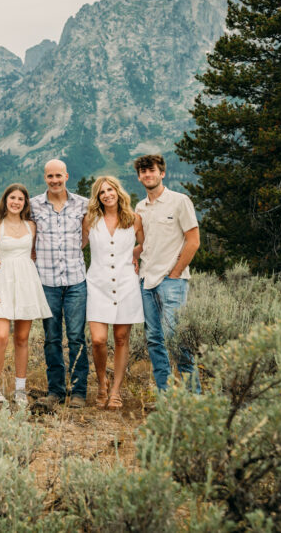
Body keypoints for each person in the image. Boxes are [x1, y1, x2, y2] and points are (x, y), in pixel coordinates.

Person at [0, 184, 51, 407]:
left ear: (25, 203)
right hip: (2, 284)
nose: (16, 202)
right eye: (12, 198)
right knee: (1, 336)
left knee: (21, 338)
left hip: (27, 283)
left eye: (21, 199)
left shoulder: (32, 226)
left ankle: (20, 390)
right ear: (5, 200)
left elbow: (34, 253)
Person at [134, 154, 200, 392]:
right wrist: (133, 255)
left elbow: (193, 241)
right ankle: (166, 395)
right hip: (146, 281)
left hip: (171, 281)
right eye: (143, 172)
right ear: (139, 177)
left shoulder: (180, 201)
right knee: (154, 340)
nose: (147, 175)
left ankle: (195, 399)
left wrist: (175, 272)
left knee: (177, 339)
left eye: (151, 170)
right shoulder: (140, 207)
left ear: (162, 173)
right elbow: (145, 243)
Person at [29, 159, 90, 408]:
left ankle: (78, 391)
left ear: (67, 175)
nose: (54, 180)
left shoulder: (82, 204)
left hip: (76, 280)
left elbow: (85, 238)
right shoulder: (33, 205)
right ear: (45, 178)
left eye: (58, 175)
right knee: (52, 338)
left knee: (76, 337)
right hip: (47, 281)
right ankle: (55, 390)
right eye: (50, 176)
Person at [84, 176, 144, 409]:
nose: (107, 195)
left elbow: (147, 243)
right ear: (97, 197)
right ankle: (101, 383)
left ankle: (116, 390)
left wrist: (135, 255)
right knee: (98, 340)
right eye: (101, 192)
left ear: (118, 192)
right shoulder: (91, 220)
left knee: (121, 339)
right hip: (97, 285)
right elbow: (75, 244)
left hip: (126, 284)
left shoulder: (134, 220)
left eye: (110, 190)